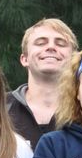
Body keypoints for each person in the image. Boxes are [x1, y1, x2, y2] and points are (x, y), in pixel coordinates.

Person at [9, 18, 76, 148]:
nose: (51, 47)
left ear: (74, 60)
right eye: (40, 43)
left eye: (61, 44)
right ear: (24, 59)